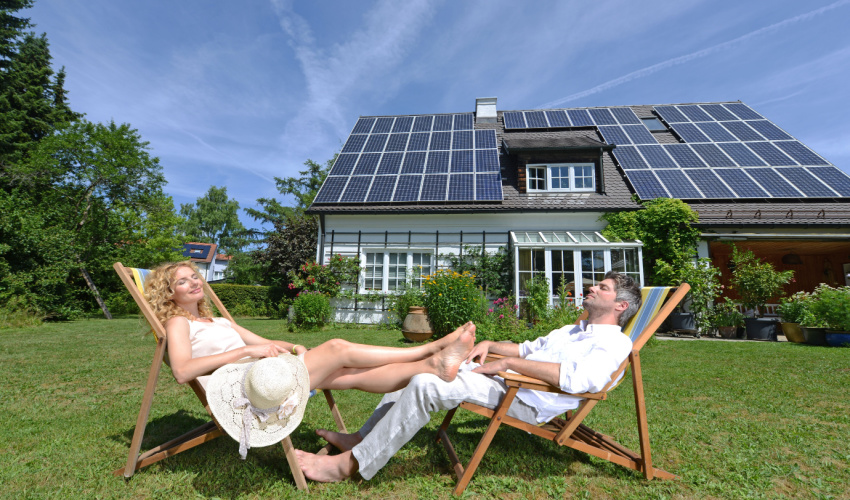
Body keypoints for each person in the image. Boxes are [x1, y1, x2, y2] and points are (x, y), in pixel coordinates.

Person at [294, 271, 642, 482]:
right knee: (420, 368)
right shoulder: (573, 330)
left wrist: (509, 368)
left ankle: (349, 465)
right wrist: (492, 345)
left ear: (620, 307)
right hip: (505, 382)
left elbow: (583, 381)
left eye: (603, 288)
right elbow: (524, 348)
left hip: (524, 399)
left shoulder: (614, 343)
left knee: (425, 384)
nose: (592, 288)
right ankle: (361, 438)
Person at [144, 261, 475, 396]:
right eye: (181, 281)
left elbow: (266, 341)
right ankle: (427, 349)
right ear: (169, 293)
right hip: (245, 391)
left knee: (346, 374)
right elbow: (183, 371)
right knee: (336, 349)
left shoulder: (218, 321)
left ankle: (432, 365)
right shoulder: (177, 322)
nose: (193, 283)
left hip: (266, 374)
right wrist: (245, 351)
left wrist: (296, 348)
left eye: (194, 276)